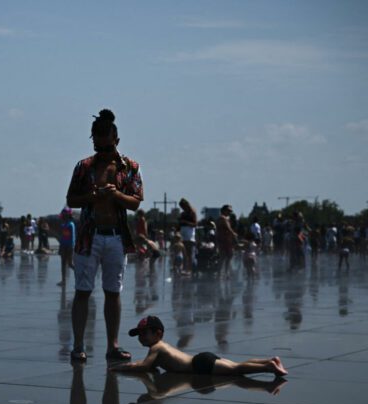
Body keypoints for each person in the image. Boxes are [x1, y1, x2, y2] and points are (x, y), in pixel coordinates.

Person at [66, 109, 143, 363]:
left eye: (105, 140)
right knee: (82, 291)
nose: (101, 145)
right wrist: (93, 197)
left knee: (113, 292)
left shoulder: (130, 167)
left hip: (116, 237)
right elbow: (71, 199)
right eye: (96, 140)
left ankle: (113, 345)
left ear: (116, 139)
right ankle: (78, 345)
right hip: (91, 236)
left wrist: (115, 195)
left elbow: (135, 202)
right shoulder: (84, 166)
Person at [111, 316, 288, 377]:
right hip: (201, 360)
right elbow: (152, 366)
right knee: (235, 365)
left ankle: (269, 368)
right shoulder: (160, 347)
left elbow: (144, 366)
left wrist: (121, 368)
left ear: (158, 334)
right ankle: (269, 361)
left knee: (236, 369)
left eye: (144, 333)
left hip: (200, 364)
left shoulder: (156, 348)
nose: (140, 337)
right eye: (139, 334)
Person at [216, 205, 237, 278]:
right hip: (225, 240)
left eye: (230, 211)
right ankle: (224, 273)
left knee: (225, 257)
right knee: (226, 256)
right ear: (224, 210)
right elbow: (228, 228)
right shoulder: (223, 218)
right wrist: (234, 234)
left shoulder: (222, 218)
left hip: (224, 240)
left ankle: (223, 273)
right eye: (228, 211)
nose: (229, 212)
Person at [58, 207, 76, 286]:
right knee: (63, 263)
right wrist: (60, 246)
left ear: (68, 215)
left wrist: (71, 246)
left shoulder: (71, 224)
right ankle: (63, 280)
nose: (63, 217)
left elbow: (72, 237)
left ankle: (79, 275)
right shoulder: (63, 225)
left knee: (70, 263)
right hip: (63, 245)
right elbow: (62, 237)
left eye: (64, 215)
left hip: (69, 246)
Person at [178, 198, 197, 274]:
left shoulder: (192, 212)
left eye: (183, 206)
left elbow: (195, 224)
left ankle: (189, 269)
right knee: (183, 252)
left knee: (189, 253)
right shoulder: (183, 214)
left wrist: (185, 222)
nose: (182, 208)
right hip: (183, 233)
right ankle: (184, 268)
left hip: (189, 234)